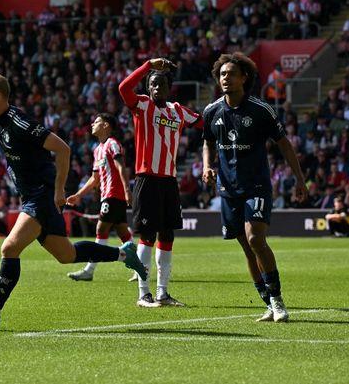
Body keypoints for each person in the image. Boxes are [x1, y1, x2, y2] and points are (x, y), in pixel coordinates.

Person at [0, 75, 147, 330]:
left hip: (41, 195)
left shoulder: (20, 122)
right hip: (32, 196)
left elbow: (63, 149)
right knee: (66, 255)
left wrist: (59, 190)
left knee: (9, 248)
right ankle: (124, 254)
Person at [201, 52, 307, 322]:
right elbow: (208, 141)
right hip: (228, 189)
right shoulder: (212, 111)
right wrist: (207, 166)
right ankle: (267, 302)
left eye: (231, 74)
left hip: (256, 185)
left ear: (244, 78)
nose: (226, 78)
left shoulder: (260, 110)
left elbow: (283, 143)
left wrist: (299, 178)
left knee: (255, 238)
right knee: (247, 248)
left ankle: (278, 299)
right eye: (222, 74)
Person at [119, 58, 203, 307]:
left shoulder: (178, 111)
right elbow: (124, 88)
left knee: (167, 236)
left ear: (169, 88)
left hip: (169, 181)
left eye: (160, 84)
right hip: (147, 179)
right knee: (147, 235)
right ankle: (143, 293)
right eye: (152, 84)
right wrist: (148, 66)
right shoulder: (142, 105)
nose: (156, 88)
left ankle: (162, 293)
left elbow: (203, 122)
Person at [65, 113, 133, 281]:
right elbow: (95, 178)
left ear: (106, 126)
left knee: (101, 229)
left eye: (96, 121)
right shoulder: (97, 149)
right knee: (123, 233)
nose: (92, 124)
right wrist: (79, 195)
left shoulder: (113, 144)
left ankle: (89, 270)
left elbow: (121, 166)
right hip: (107, 194)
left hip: (114, 194)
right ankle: (143, 264)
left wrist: (126, 190)